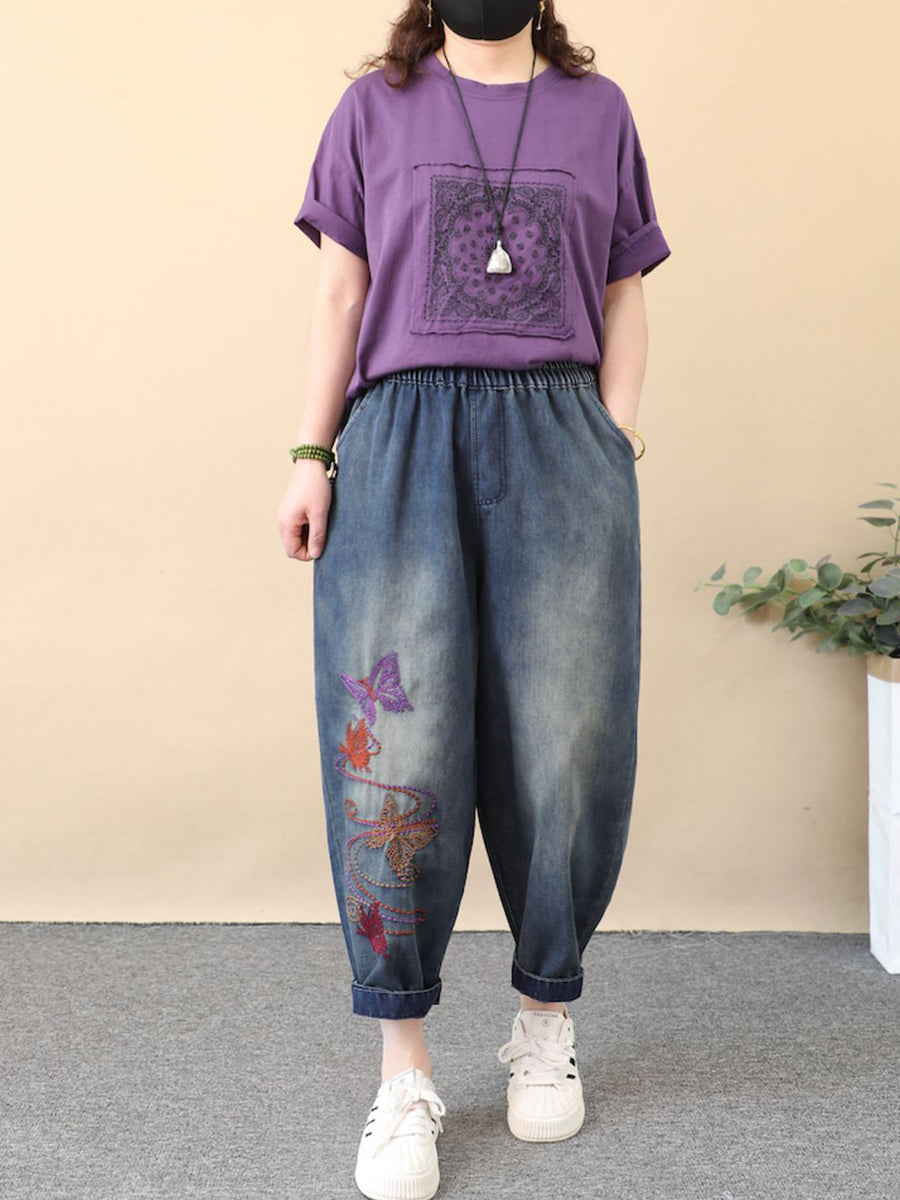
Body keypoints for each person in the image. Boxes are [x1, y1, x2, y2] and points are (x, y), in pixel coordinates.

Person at [276, 1, 671, 1196]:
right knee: (394, 749)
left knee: (565, 738)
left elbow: (625, 291)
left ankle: (546, 1019)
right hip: (401, 443)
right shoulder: (371, 109)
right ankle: (403, 1072)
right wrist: (310, 456)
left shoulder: (600, 111)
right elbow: (342, 297)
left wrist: (613, 440)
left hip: (560, 441)